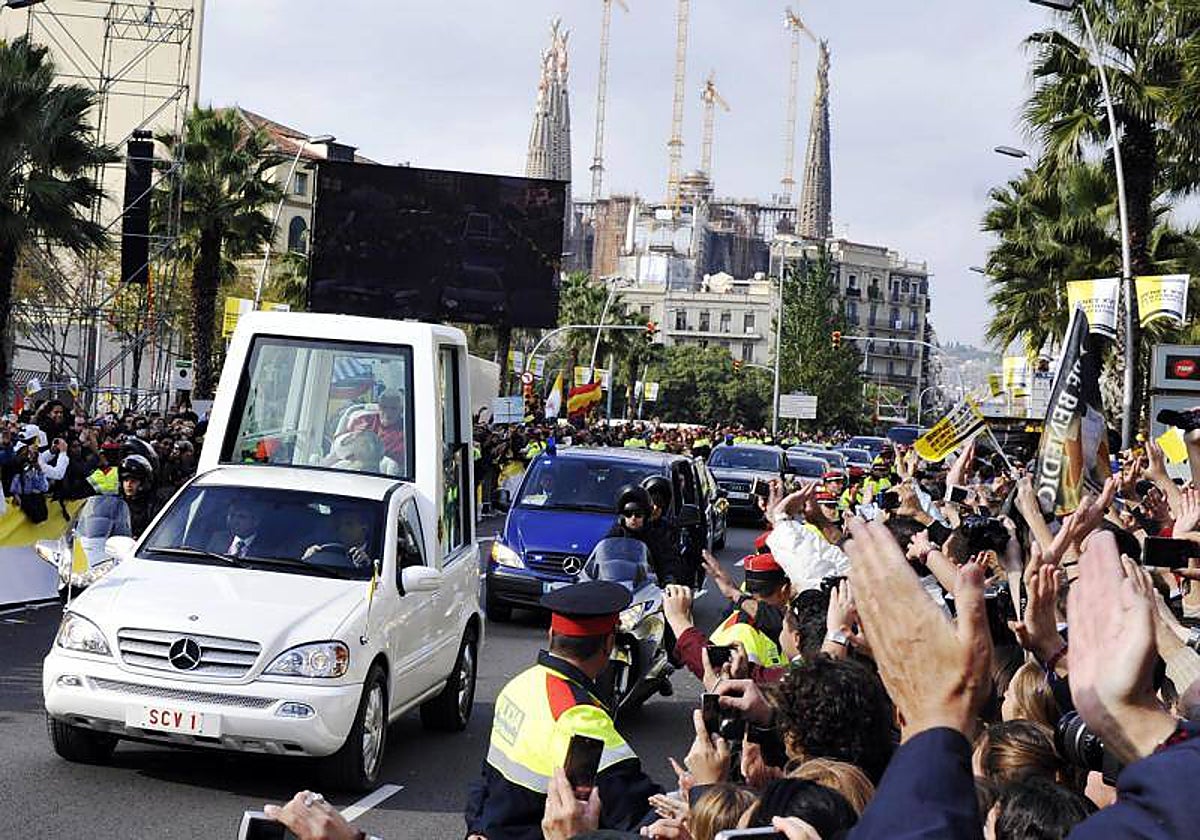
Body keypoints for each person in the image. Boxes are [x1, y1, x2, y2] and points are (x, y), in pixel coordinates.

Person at [464, 580, 662, 840]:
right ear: (608, 644)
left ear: (551, 635)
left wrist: (477, 828)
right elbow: (633, 811)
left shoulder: (519, 686)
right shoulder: (580, 717)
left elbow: (489, 778)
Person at [604, 485, 687, 585]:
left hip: (646, 589)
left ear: (646, 515)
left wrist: (669, 578)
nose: (633, 518)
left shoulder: (654, 536)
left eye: (638, 514)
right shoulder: (614, 535)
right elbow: (603, 559)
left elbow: (669, 561)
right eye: (628, 513)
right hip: (617, 587)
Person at [118, 454, 157, 537]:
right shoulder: (117, 504)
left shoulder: (152, 506)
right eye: (126, 480)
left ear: (143, 483)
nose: (128, 484)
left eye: (133, 480)